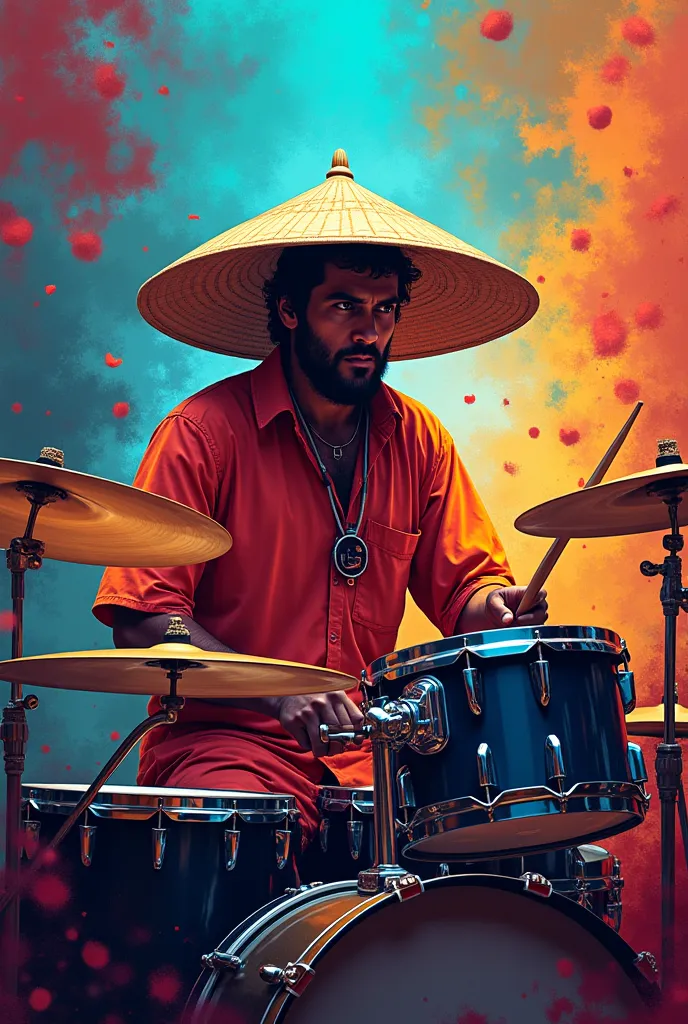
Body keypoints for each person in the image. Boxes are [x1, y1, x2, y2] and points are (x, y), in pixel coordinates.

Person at [92, 150, 547, 847]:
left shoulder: (419, 439)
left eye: (384, 309)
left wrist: (499, 607)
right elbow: (146, 622)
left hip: (375, 764)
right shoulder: (202, 434)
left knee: (497, 838)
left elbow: (469, 595)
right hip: (226, 755)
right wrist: (275, 689)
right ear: (289, 312)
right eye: (343, 307)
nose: (368, 332)